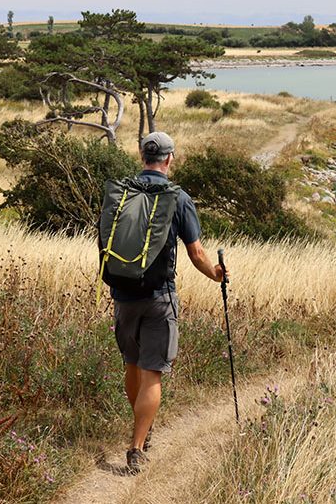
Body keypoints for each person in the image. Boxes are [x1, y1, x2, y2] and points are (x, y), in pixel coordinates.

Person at [109, 131, 226, 475]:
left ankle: (142, 431)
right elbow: (196, 252)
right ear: (169, 159)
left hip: (123, 294)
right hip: (160, 297)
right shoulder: (178, 197)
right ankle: (136, 447)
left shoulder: (123, 193)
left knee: (132, 365)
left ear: (142, 157)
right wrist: (216, 274)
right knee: (152, 373)